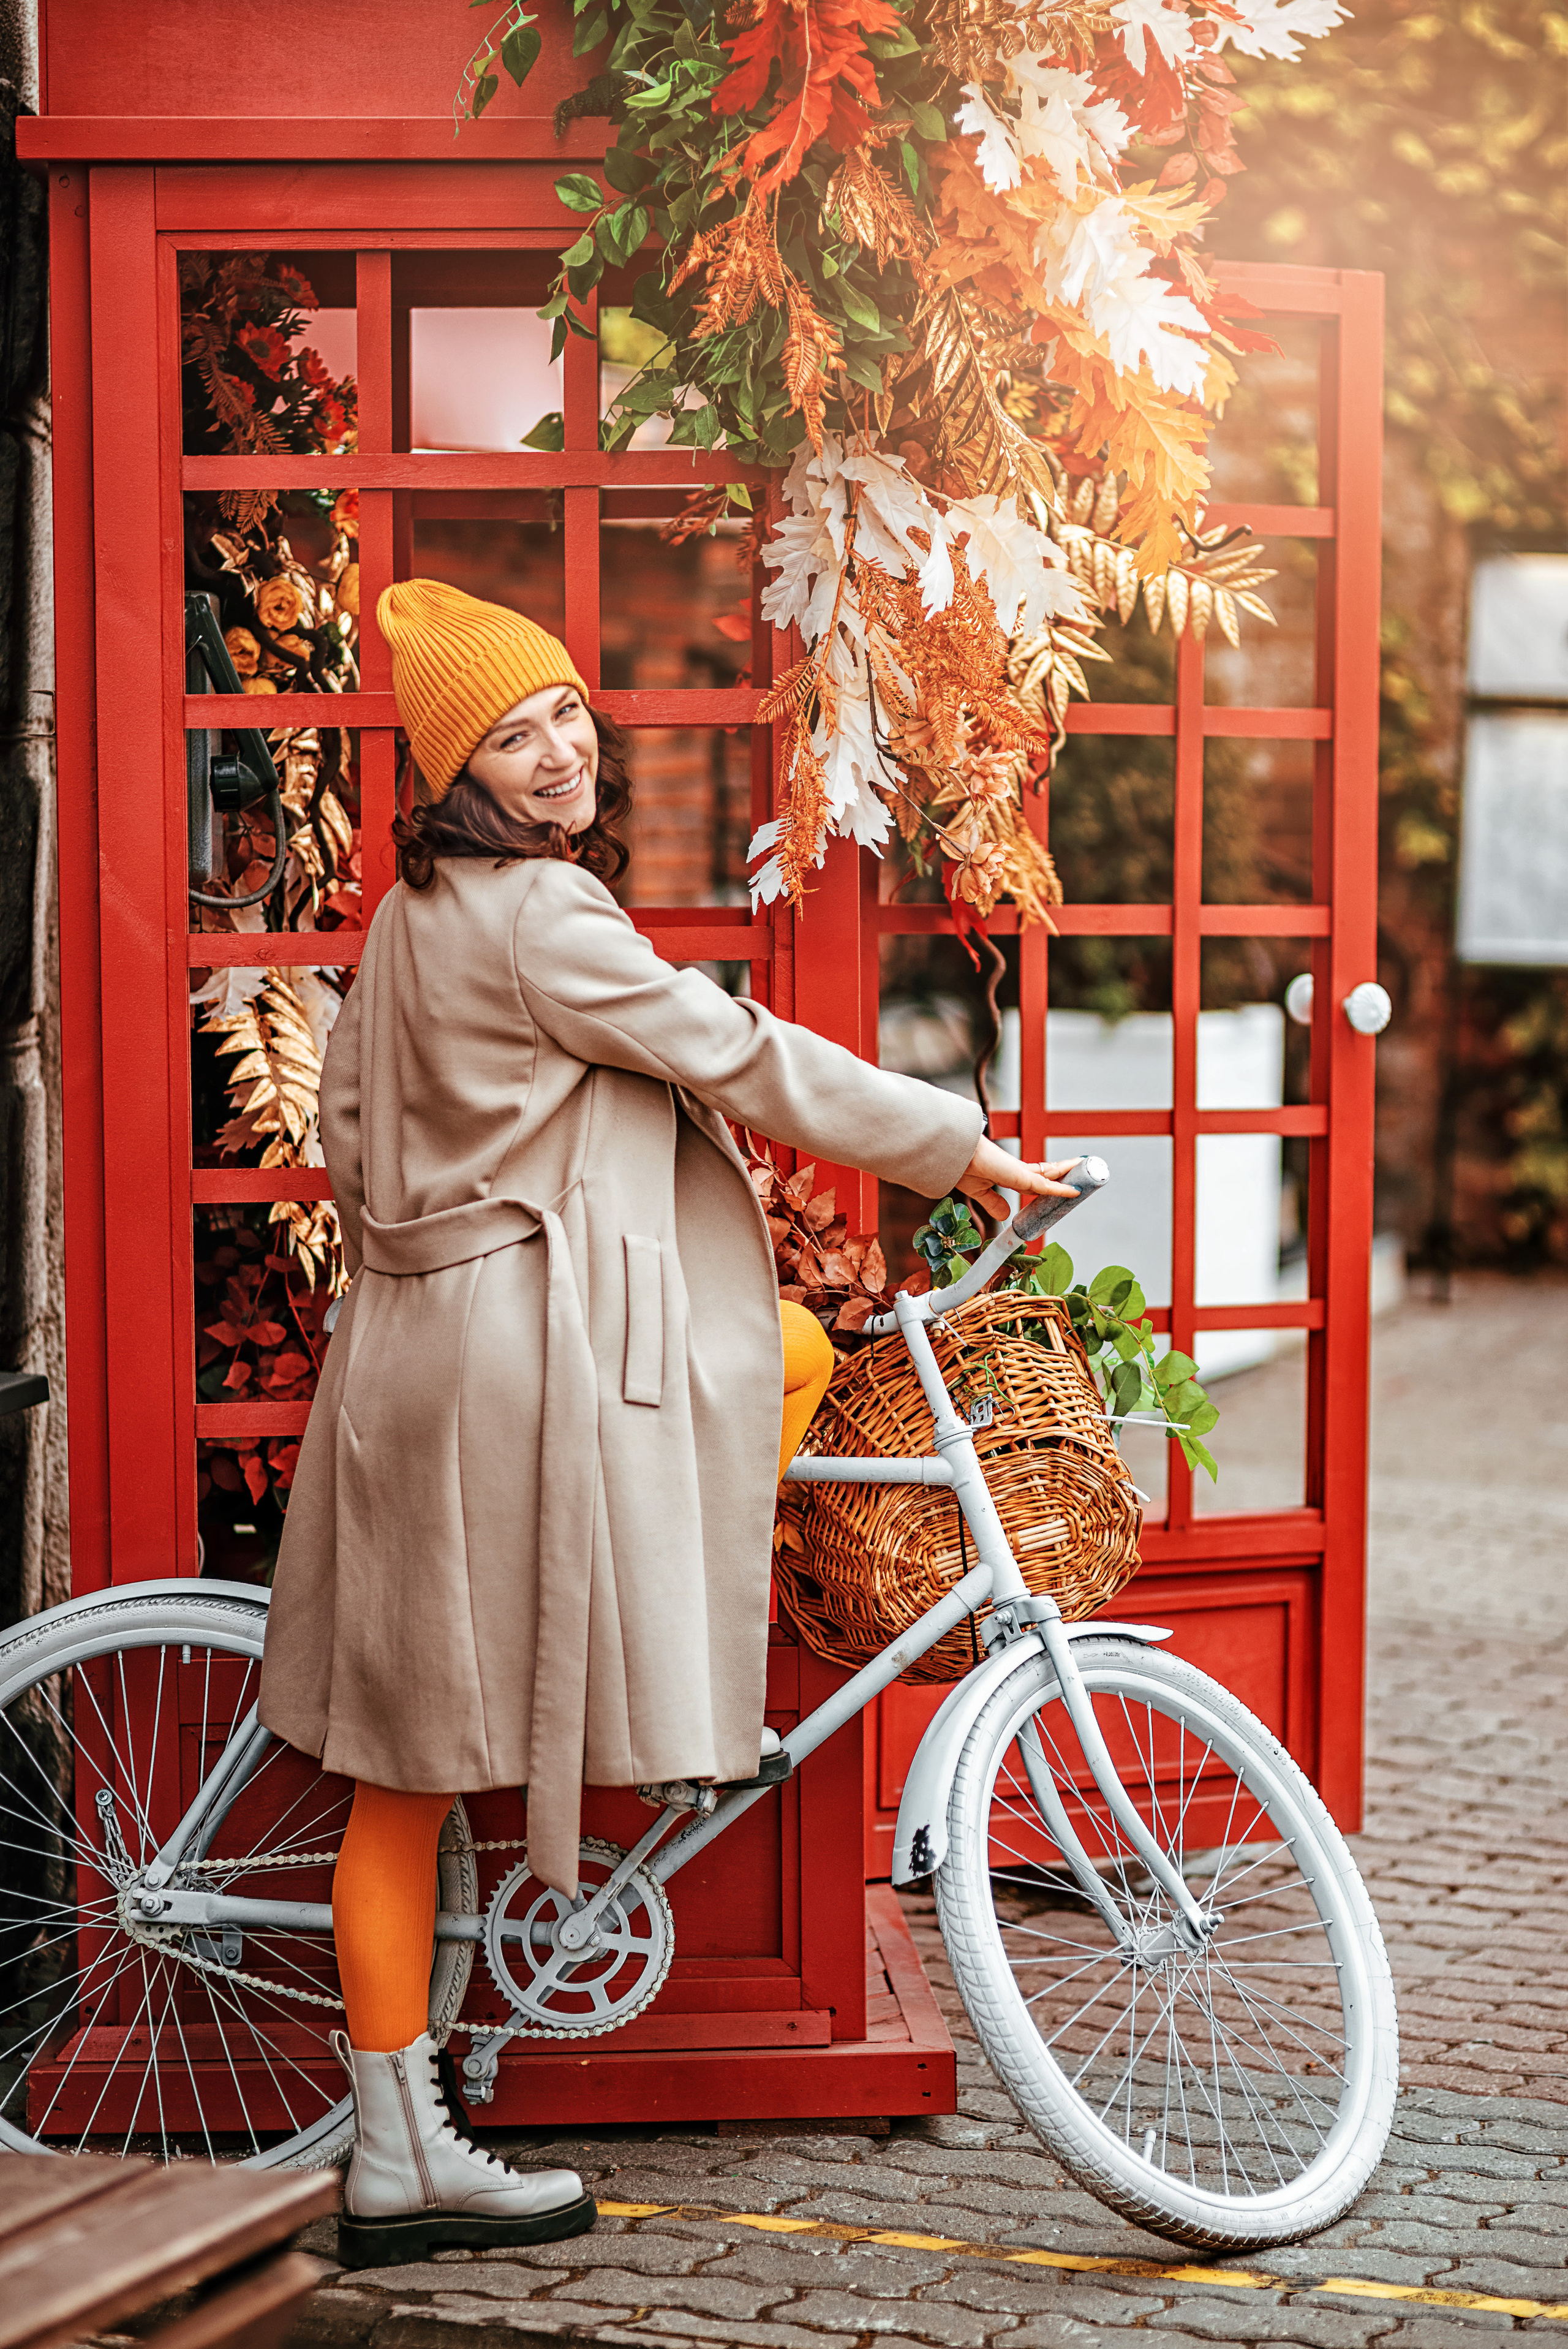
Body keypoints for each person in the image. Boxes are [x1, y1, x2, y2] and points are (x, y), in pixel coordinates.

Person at [257, 579, 1078, 2269]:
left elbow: (342, 1128)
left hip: (402, 1346)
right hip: (500, 1360)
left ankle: (403, 2123)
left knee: (408, 1775)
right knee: (408, 1787)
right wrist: (957, 1141)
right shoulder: (544, 913)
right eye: (514, 731)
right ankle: (400, 2154)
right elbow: (743, 1049)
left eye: (565, 709)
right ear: (458, 768)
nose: (559, 745)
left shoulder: (407, 917)